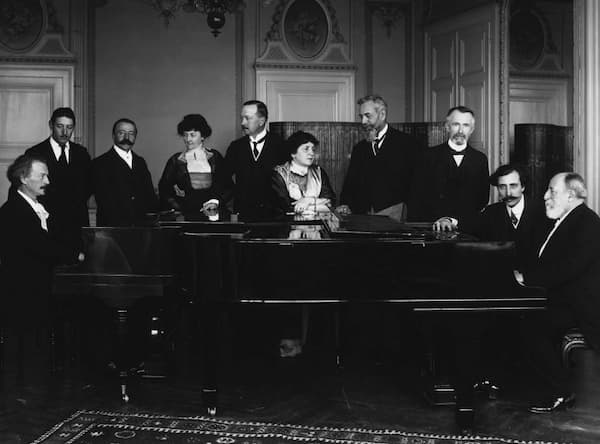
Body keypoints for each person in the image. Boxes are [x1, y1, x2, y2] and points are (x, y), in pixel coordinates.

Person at [519, 173, 600, 413]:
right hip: (562, 300)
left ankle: (561, 392)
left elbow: (568, 268)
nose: (545, 196)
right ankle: (538, 383)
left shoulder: (588, 223)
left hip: (582, 307)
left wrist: (526, 279)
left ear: (571, 195)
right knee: (521, 318)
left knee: (530, 326)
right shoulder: (564, 220)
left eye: (552, 191)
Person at [0, 155, 82, 381]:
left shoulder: (37, 206)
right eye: (42, 176)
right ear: (24, 178)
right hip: (22, 288)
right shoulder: (13, 210)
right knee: (24, 341)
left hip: (38, 284)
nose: (47, 181)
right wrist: (76, 255)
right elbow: (41, 245)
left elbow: (52, 240)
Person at [337, 95, 421, 221]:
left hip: (396, 224)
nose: (363, 122)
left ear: (382, 114)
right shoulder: (359, 149)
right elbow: (350, 184)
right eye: (361, 117)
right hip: (362, 223)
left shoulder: (408, 144)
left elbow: (417, 187)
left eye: (368, 116)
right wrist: (345, 205)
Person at [408, 106, 489, 232]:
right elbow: (416, 197)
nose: (461, 130)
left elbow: (481, 200)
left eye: (466, 125)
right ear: (447, 127)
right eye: (456, 124)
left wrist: (454, 220)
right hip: (432, 228)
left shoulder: (480, 159)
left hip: (467, 230)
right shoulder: (427, 157)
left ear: (472, 129)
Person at [25, 107, 92, 250]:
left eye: (69, 127)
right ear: (51, 125)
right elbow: (27, 190)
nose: (65, 132)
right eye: (60, 126)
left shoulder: (81, 153)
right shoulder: (35, 153)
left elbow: (88, 186)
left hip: (76, 224)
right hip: (47, 224)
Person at [158, 114, 231, 218]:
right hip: (187, 217)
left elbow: (228, 187)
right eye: (185, 135)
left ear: (202, 136)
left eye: (192, 135)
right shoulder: (176, 161)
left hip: (215, 216)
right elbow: (164, 190)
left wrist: (215, 202)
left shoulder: (215, 157)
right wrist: (180, 207)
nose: (188, 139)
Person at [478, 164, 549, 269]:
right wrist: (448, 220)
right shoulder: (490, 212)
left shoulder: (544, 212)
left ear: (523, 186)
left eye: (513, 186)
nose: (508, 193)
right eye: (502, 187)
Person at [224, 100, 286, 220]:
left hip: (276, 216)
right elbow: (223, 177)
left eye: (247, 118)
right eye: (242, 118)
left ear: (261, 121)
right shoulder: (236, 147)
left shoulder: (281, 145)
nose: (243, 123)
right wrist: (237, 194)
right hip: (244, 215)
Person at [92, 118, 158, 226]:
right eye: (121, 133)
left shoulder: (140, 162)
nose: (127, 138)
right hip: (112, 228)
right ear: (113, 136)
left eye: (131, 133)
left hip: (141, 228)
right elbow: (104, 200)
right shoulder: (100, 163)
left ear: (135, 137)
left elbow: (149, 195)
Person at [271, 131, 335, 216]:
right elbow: (285, 207)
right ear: (293, 153)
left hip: (317, 224)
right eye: (306, 149)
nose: (311, 153)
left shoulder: (319, 172)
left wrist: (308, 201)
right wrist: (318, 204)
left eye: (313, 149)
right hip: (289, 225)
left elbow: (329, 203)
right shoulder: (279, 174)